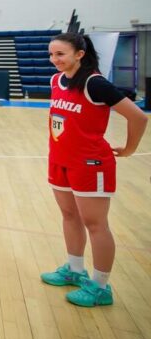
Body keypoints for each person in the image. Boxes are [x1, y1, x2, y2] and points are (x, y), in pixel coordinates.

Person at [39, 32, 146, 308]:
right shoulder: (56, 80)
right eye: (51, 54)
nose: (54, 59)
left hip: (90, 164)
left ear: (79, 54)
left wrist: (129, 148)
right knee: (69, 215)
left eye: (60, 54)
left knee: (96, 225)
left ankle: (100, 287)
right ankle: (75, 270)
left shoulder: (94, 83)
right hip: (60, 160)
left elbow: (138, 116)